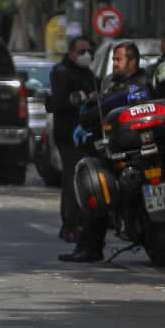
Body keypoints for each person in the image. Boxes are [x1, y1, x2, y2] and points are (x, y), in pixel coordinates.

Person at [61, 42, 155, 262]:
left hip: (137, 153)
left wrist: (96, 108)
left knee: (98, 186)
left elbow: (115, 103)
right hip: (119, 152)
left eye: (118, 60)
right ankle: (89, 247)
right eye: (113, 59)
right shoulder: (114, 84)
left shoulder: (139, 85)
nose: (114, 64)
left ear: (133, 62)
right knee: (100, 188)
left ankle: (90, 248)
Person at [48, 36, 98, 241]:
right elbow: (57, 102)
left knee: (87, 178)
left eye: (88, 51)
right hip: (68, 134)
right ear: (71, 53)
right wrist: (79, 99)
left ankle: (83, 222)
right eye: (81, 51)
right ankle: (69, 224)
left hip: (88, 133)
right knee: (72, 179)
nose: (86, 55)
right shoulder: (61, 72)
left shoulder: (89, 74)